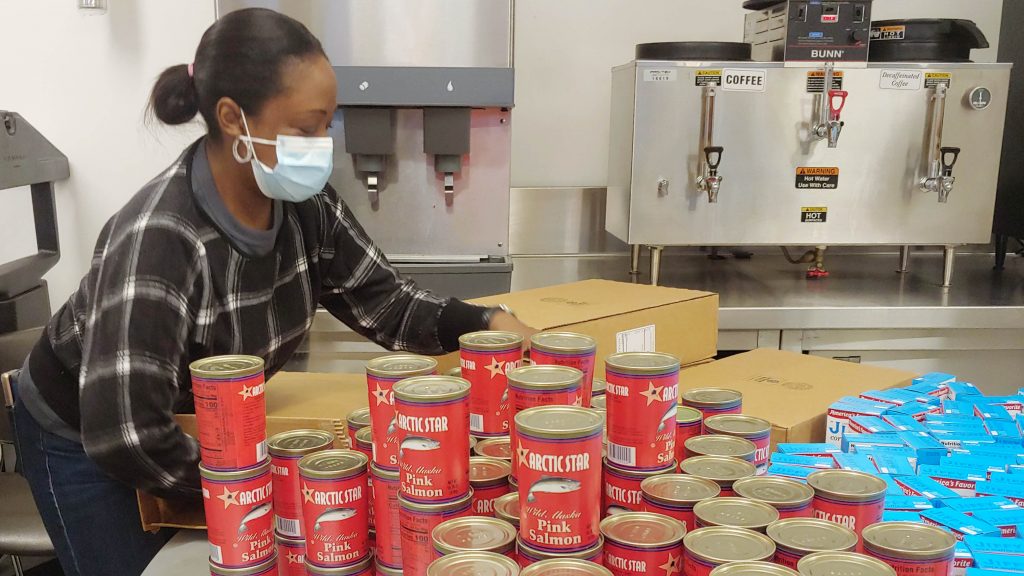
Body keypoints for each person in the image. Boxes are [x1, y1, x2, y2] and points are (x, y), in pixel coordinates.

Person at [8, 8, 534, 576]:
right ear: (234, 119)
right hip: (89, 436)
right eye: (307, 128)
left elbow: (385, 302)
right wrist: (266, 483)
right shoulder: (162, 238)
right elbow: (127, 433)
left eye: (327, 125)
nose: (321, 145)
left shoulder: (305, 206)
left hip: (198, 425)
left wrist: (482, 323)